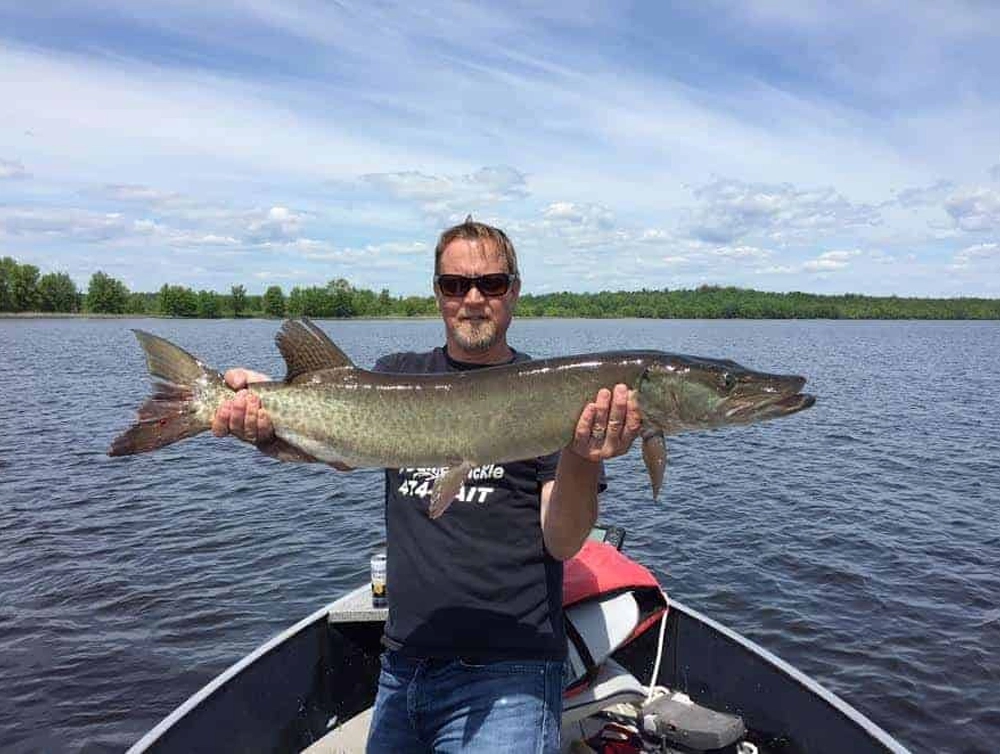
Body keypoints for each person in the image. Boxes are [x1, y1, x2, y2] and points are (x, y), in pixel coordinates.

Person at [211, 219, 642, 753]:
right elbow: (339, 453)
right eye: (455, 284)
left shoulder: (555, 395)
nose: (474, 298)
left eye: (492, 283)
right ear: (437, 293)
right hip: (402, 665)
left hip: (511, 673)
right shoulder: (396, 373)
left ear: (515, 291)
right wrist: (264, 422)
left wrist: (581, 455)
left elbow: (562, 540)